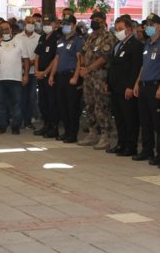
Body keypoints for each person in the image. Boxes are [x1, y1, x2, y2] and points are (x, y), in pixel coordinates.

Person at [77, 11, 116, 150]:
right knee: (89, 104)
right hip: (88, 77)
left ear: (103, 21)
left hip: (100, 76)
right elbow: (82, 53)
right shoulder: (89, 37)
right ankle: (92, 133)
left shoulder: (108, 37)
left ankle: (105, 136)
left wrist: (88, 69)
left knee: (102, 106)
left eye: (97, 19)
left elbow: (104, 57)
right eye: (92, 19)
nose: (94, 22)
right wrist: (82, 68)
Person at [133, 13, 160, 164]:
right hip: (144, 85)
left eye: (151, 25)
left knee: (158, 123)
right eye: (147, 24)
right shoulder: (147, 44)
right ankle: (147, 150)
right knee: (144, 121)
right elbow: (144, 65)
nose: (148, 27)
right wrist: (137, 83)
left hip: (156, 85)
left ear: (159, 26)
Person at [107, 16, 144, 157]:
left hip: (126, 88)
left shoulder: (135, 45)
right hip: (116, 88)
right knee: (119, 118)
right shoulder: (118, 45)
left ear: (129, 30)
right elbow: (113, 67)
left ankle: (131, 146)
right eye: (116, 29)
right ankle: (121, 143)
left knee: (130, 119)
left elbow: (136, 68)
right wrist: (108, 83)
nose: (118, 32)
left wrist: (130, 86)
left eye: (120, 29)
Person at [48, 14, 85, 143]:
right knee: (62, 105)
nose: (65, 26)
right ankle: (67, 131)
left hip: (71, 76)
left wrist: (76, 76)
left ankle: (73, 133)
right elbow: (56, 59)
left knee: (72, 106)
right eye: (64, 24)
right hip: (60, 76)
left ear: (74, 25)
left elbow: (80, 60)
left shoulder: (79, 40)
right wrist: (52, 75)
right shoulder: (60, 40)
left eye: (68, 24)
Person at [0, 19, 28, 134]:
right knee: (1, 104)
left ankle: (15, 126)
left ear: (11, 30)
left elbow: (26, 59)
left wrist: (26, 75)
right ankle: (2, 125)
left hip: (16, 78)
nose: (5, 31)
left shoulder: (19, 41)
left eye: (7, 29)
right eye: (2, 29)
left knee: (17, 104)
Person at [33, 15, 61, 138]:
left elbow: (56, 58)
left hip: (50, 75)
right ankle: (46, 125)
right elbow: (37, 55)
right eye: (45, 23)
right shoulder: (43, 37)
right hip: (40, 75)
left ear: (55, 24)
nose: (47, 26)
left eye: (50, 23)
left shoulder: (57, 38)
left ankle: (53, 127)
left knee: (52, 102)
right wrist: (38, 71)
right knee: (42, 102)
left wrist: (45, 72)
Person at [17, 15, 40, 126]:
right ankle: (19, 119)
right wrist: (23, 62)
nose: (30, 24)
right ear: (24, 23)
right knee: (21, 97)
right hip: (20, 71)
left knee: (31, 97)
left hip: (33, 72)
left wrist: (32, 61)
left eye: (32, 22)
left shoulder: (39, 38)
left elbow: (40, 54)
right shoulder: (17, 37)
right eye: (28, 22)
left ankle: (28, 120)